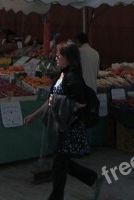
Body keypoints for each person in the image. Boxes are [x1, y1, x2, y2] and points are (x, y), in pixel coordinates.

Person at [24, 42, 103, 200]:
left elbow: (81, 103)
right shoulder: (61, 75)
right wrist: (34, 115)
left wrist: (63, 103)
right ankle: (92, 179)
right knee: (62, 163)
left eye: (60, 55)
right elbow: (51, 100)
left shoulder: (74, 78)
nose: (57, 58)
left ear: (69, 58)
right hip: (59, 126)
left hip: (68, 128)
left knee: (59, 165)